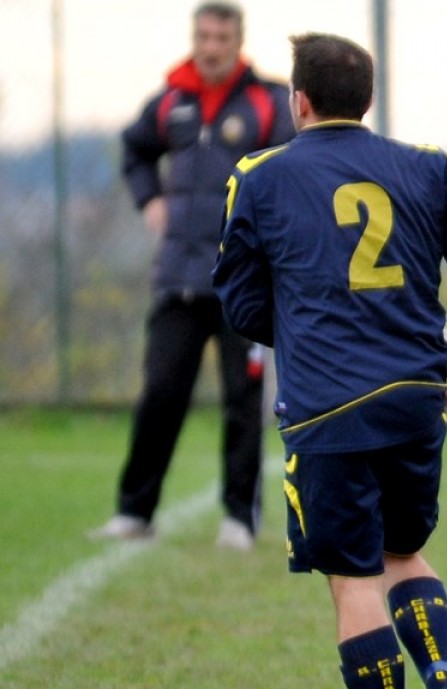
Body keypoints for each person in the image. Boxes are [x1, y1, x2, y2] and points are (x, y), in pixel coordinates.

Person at [212, 32, 447, 689]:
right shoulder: (431, 167)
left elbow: (241, 301)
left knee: (353, 580)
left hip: (327, 408)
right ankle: (444, 686)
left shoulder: (258, 175)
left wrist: (311, 327)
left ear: (299, 101)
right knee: (405, 555)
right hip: (418, 399)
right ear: (369, 101)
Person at [92, 2, 295, 551]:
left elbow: (292, 168)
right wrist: (149, 199)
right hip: (178, 279)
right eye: (203, 36)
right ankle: (134, 511)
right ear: (195, 38)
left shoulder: (267, 102)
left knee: (242, 401)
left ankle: (239, 519)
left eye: (221, 38)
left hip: (244, 287)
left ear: (238, 41)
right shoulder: (170, 102)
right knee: (160, 393)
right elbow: (134, 152)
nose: (211, 47)